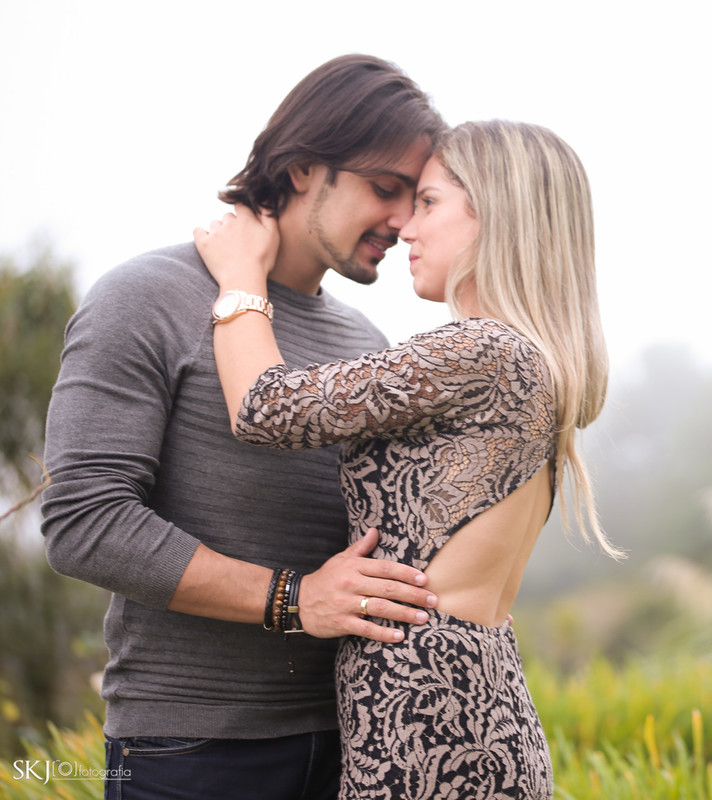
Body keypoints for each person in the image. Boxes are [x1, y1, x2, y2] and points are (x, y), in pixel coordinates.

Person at [40, 55, 446, 800]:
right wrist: (295, 598)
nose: (403, 222)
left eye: (417, 200)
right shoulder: (146, 298)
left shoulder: (366, 341)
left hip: (358, 741)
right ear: (300, 169)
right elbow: (84, 523)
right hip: (193, 751)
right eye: (384, 189)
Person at [194, 119, 622, 799]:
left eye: (427, 202)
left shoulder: (478, 350)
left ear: (496, 212)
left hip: (425, 727)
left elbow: (266, 407)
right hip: (472, 707)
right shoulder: (534, 361)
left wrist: (241, 278)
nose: (406, 229)